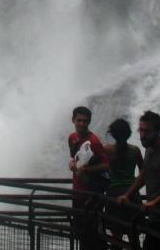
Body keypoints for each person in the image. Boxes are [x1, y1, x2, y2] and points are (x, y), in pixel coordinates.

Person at [117, 111, 160, 250]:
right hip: (156, 217)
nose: (142, 135)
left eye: (147, 131)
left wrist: (154, 202)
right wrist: (127, 195)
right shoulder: (149, 150)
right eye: (141, 130)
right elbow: (144, 175)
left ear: (158, 131)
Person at [68, 106, 109, 250]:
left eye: (85, 121)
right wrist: (73, 163)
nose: (82, 124)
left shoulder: (94, 141)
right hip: (77, 192)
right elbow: (75, 158)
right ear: (73, 120)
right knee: (80, 231)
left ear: (89, 122)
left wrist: (85, 169)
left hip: (92, 194)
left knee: (93, 234)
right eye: (79, 120)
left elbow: (106, 165)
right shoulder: (72, 138)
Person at [103, 118, 144, 249]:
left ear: (112, 134)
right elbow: (144, 173)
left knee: (116, 238)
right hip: (132, 194)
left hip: (113, 195)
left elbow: (98, 167)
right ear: (129, 133)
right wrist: (134, 185)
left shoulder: (107, 150)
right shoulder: (135, 150)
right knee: (134, 237)